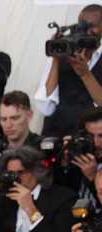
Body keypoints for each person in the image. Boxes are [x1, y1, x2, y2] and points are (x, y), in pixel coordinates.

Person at [35, 4, 102, 137]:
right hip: (56, 135)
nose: (87, 32)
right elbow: (46, 108)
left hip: (92, 139)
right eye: (82, 26)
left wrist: (85, 74)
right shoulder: (60, 57)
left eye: (92, 26)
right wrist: (56, 59)